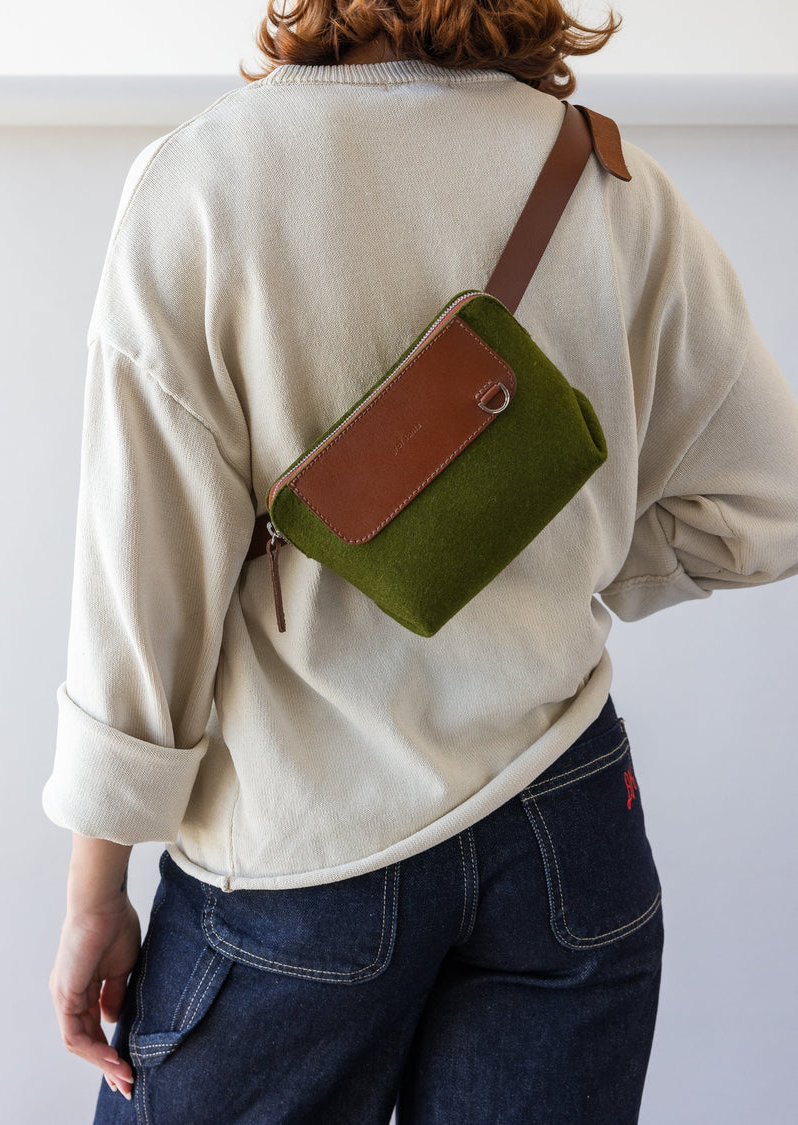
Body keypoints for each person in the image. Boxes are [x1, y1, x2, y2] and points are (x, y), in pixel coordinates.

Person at [44, 2, 798, 1122]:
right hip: (566, 829)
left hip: (301, 850)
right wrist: (558, 555)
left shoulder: (201, 184)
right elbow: (763, 506)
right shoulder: (606, 179)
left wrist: (95, 888)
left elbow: (142, 586)